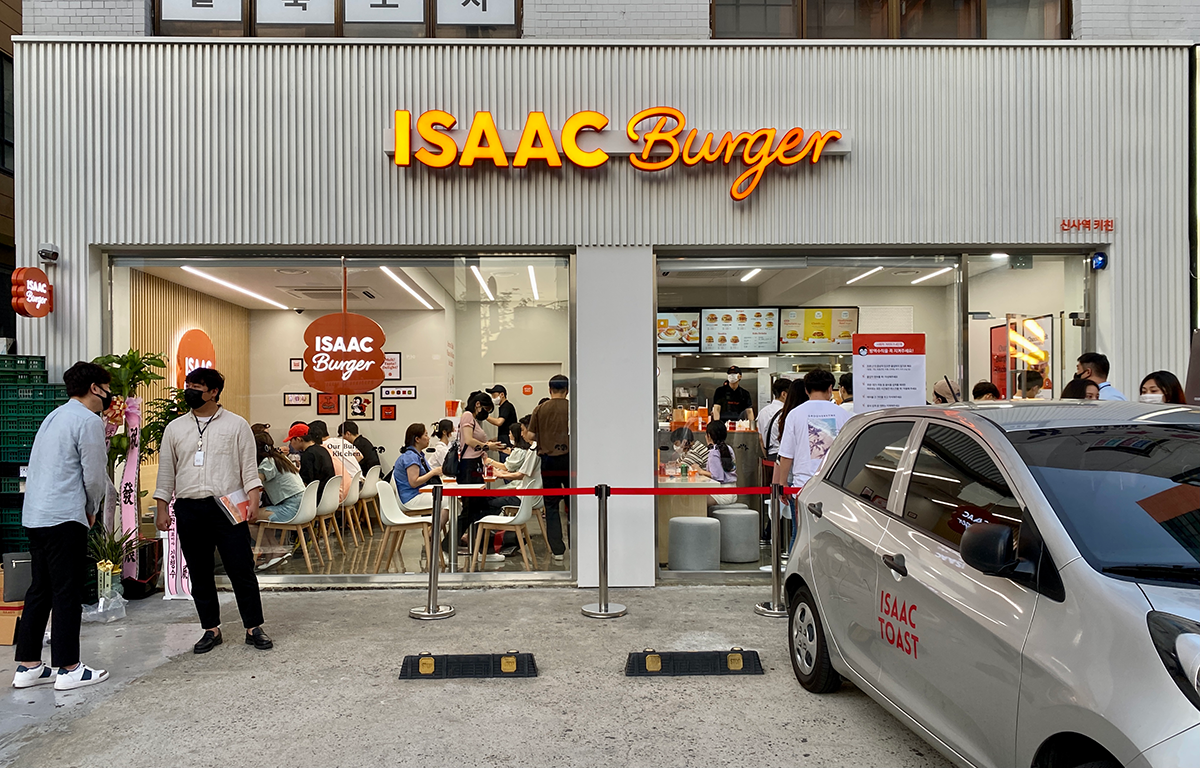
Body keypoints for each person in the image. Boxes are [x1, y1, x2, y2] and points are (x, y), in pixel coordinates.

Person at [153, 367, 273, 653]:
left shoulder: (236, 425)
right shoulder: (175, 428)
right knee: (199, 571)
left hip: (227, 506)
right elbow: (166, 471)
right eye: (188, 386)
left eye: (197, 387)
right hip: (188, 507)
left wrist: (254, 500)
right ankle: (211, 629)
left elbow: (249, 468)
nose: (189, 391)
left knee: (241, 568)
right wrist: (161, 508)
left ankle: (253, 627)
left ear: (214, 392)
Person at [12, 362, 112, 691]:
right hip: (65, 515)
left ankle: (28, 665)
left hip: (36, 515)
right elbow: (94, 475)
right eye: (107, 387)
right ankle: (69, 668)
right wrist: (91, 508)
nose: (109, 394)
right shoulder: (88, 420)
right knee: (67, 591)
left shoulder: (53, 417)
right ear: (95, 388)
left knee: (39, 589)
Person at [529, 375, 570, 561]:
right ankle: (577, 543)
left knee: (551, 505)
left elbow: (530, 435)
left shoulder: (540, 409)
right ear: (567, 390)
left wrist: (545, 437)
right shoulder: (572, 407)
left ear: (549, 389)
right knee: (574, 502)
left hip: (548, 461)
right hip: (570, 460)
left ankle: (557, 550)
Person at [456, 392, 503, 546]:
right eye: (486, 409)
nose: (486, 413)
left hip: (474, 465)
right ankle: (452, 541)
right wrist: (487, 446)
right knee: (471, 508)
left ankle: (475, 541)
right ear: (478, 405)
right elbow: (469, 440)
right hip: (469, 467)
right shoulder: (467, 416)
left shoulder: (473, 419)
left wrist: (486, 448)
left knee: (475, 507)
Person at [393, 423, 445, 515]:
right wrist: (433, 472)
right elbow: (414, 482)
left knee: (449, 500)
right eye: (426, 435)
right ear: (417, 439)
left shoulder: (418, 455)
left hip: (418, 494)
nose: (428, 438)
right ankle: (436, 525)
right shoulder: (411, 457)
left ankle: (438, 524)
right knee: (448, 501)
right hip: (412, 497)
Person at [254, 432, 305, 525]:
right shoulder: (282, 458)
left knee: (251, 516)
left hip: (291, 509)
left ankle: (266, 536)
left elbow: (255, 483)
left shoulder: (268, 462)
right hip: (304, 506)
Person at [698, 421, 737, 508]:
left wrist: (700, 471)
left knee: (695, 501)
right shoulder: (729, 448)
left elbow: (717, 476)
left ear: (708, 436)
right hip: (733, 492)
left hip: (721, 494)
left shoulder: (714, 452)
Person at [288, 423, 335, 490]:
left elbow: (306, 482)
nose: (290, 444)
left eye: (291, 440)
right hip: (329, 491)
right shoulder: (322, 449)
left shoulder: (308, 454)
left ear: (298, 439)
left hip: (316, 493)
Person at [757, 378, 789, 461]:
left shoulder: (762, 412)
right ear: (784, 394)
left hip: (770, 455)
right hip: (784, 456)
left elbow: (761, 438)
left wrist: (767, 456)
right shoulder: (787, 412)